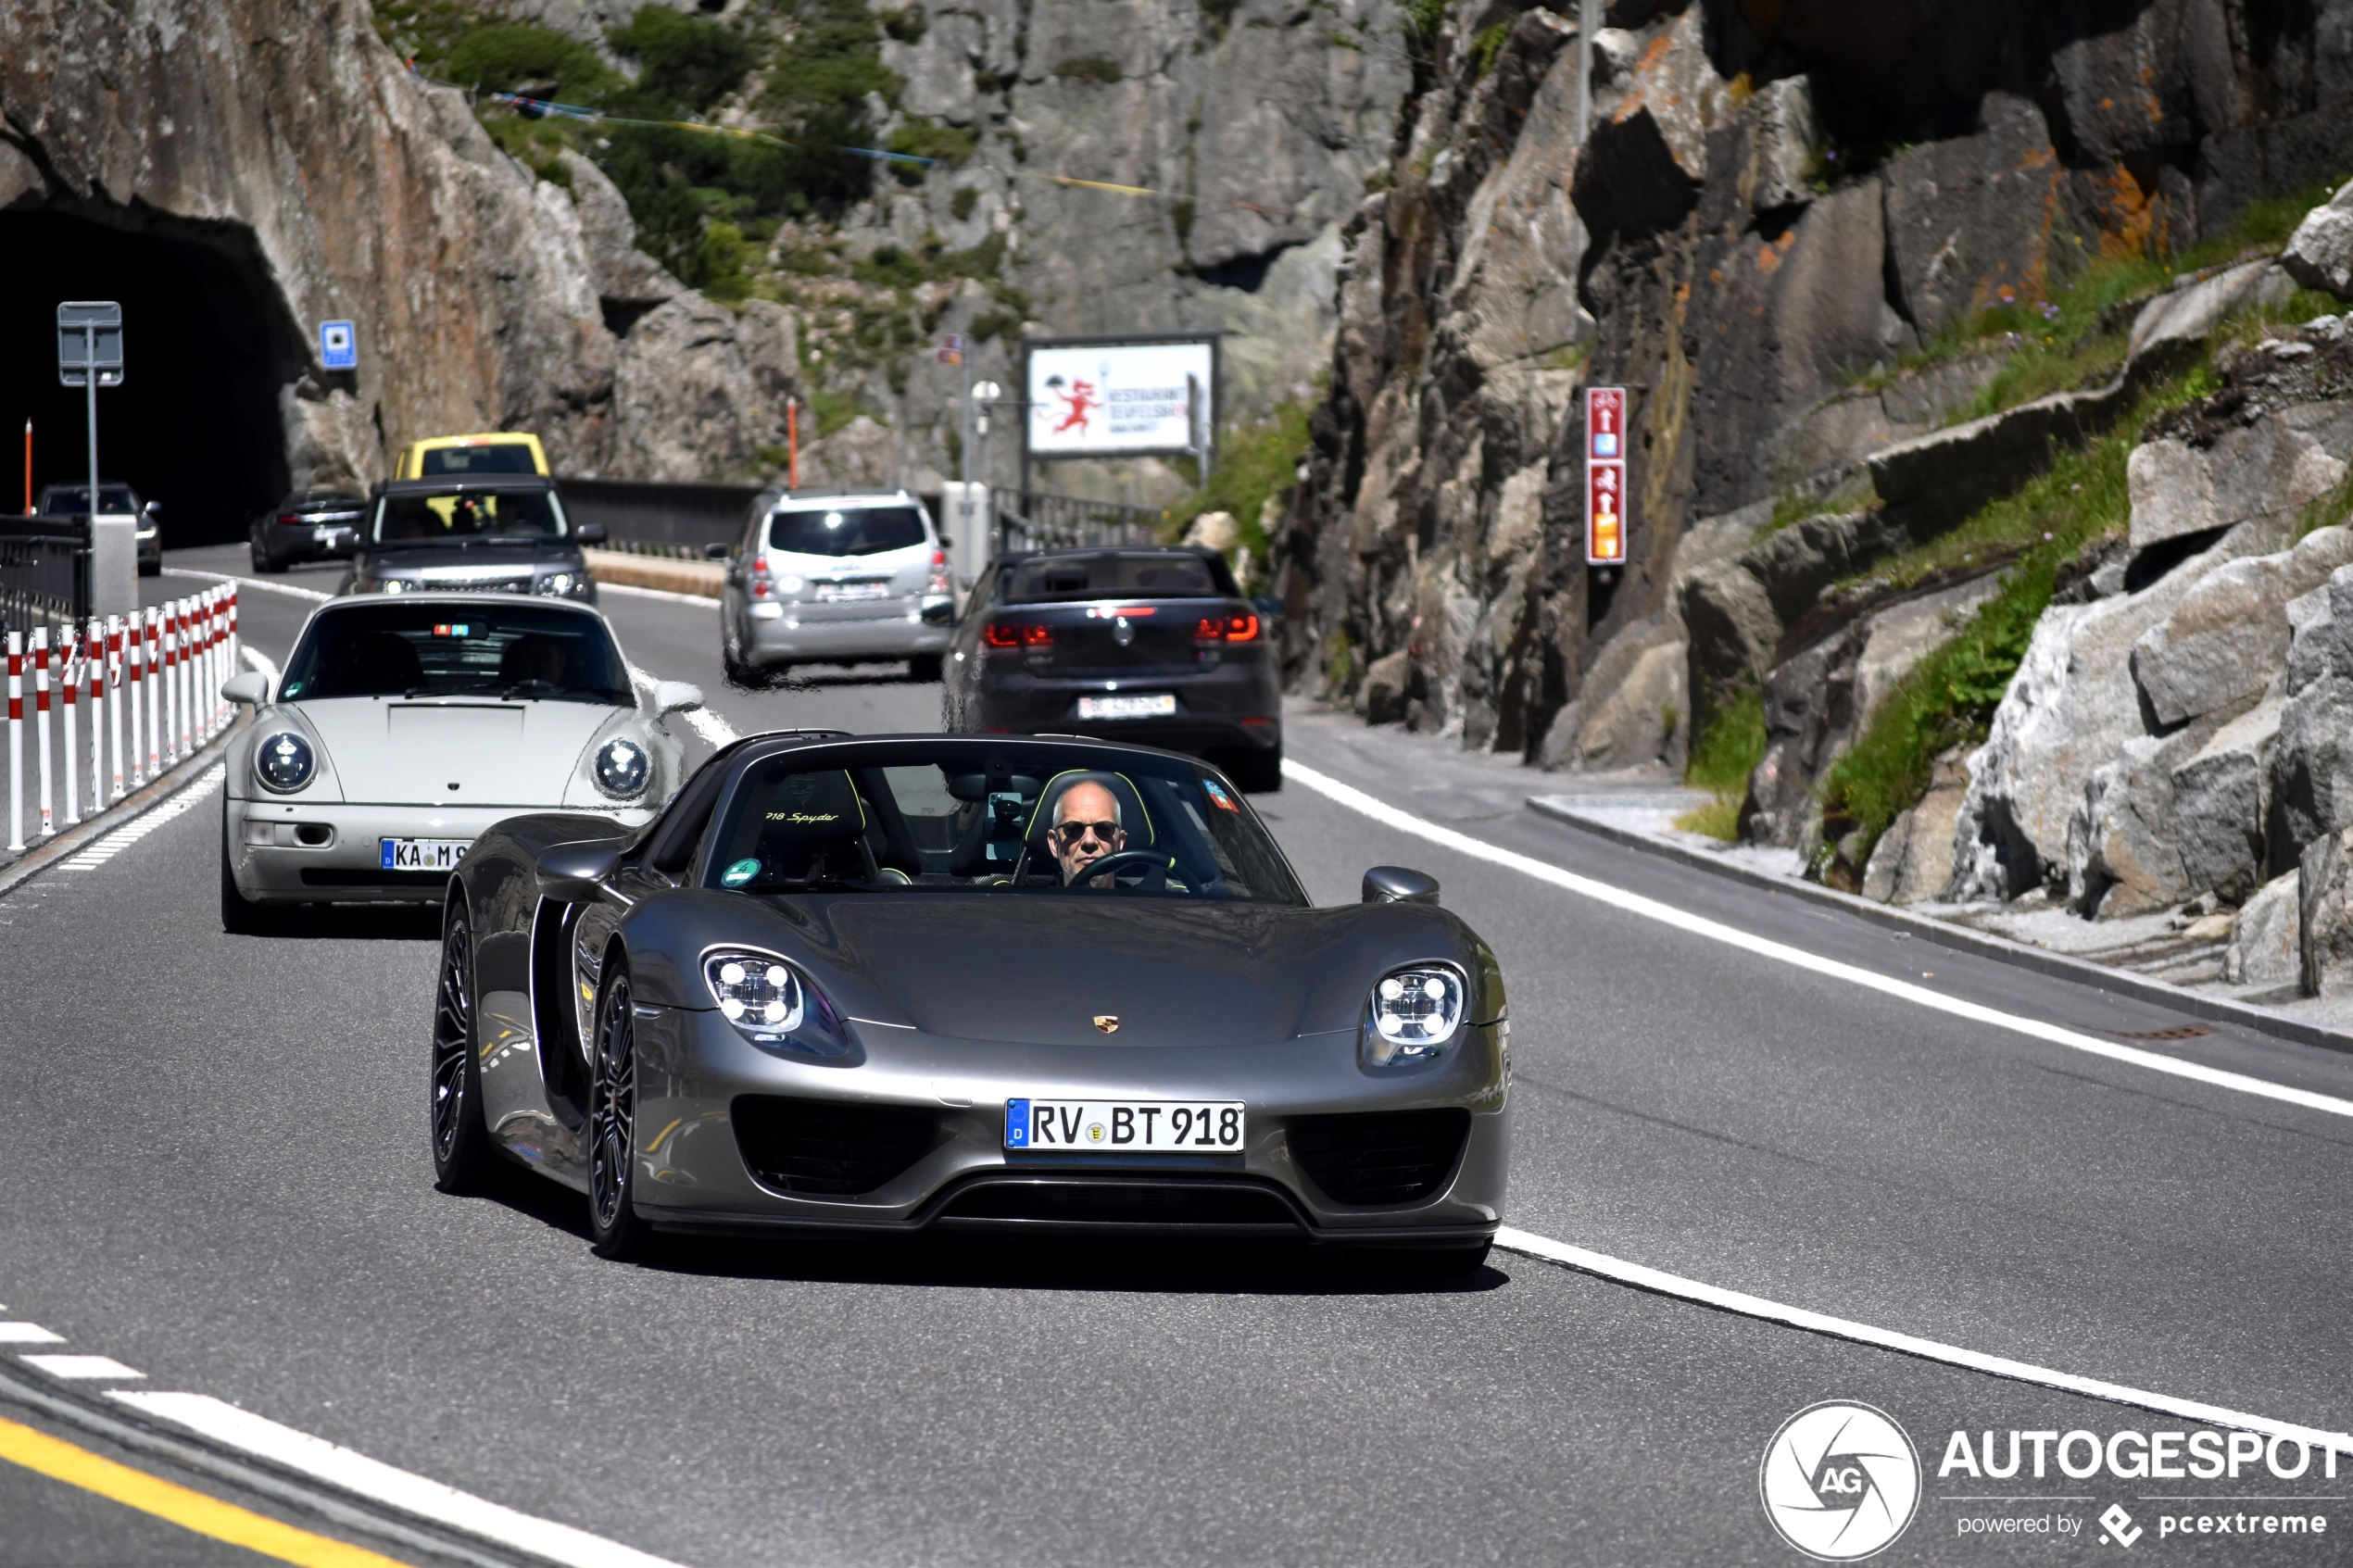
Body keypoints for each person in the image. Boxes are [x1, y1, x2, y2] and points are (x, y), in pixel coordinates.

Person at [1049, 781, 1126, 886]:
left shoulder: (1149, 901)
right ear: (1054, 844)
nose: (1089, 841)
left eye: (1104, 829)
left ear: (1119, 842)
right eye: (1073, 829)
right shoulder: (1028, 902)